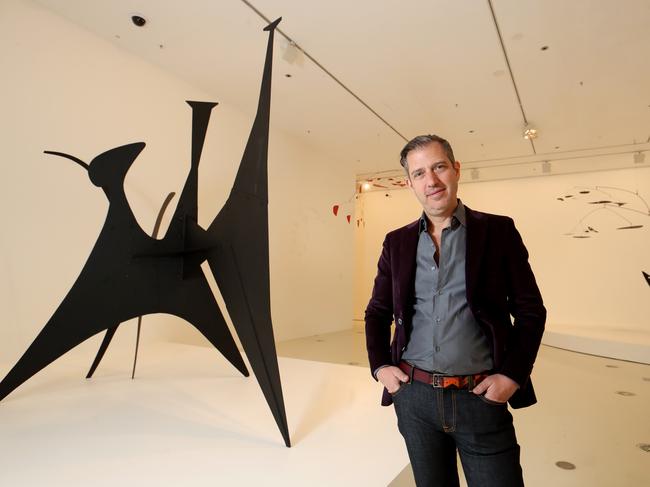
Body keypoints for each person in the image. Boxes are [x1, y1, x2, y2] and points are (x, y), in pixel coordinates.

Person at [365, 134, 545, 486]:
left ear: (456, 169)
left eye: (439, 167)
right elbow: (376, 311)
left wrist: (512, 376)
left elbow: (530, 310)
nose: (430, 181)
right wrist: (380, 367)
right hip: (414, 398)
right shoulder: (396, 241)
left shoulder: (498, 231)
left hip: (479, 398)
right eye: (419, 174)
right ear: (409, 183)